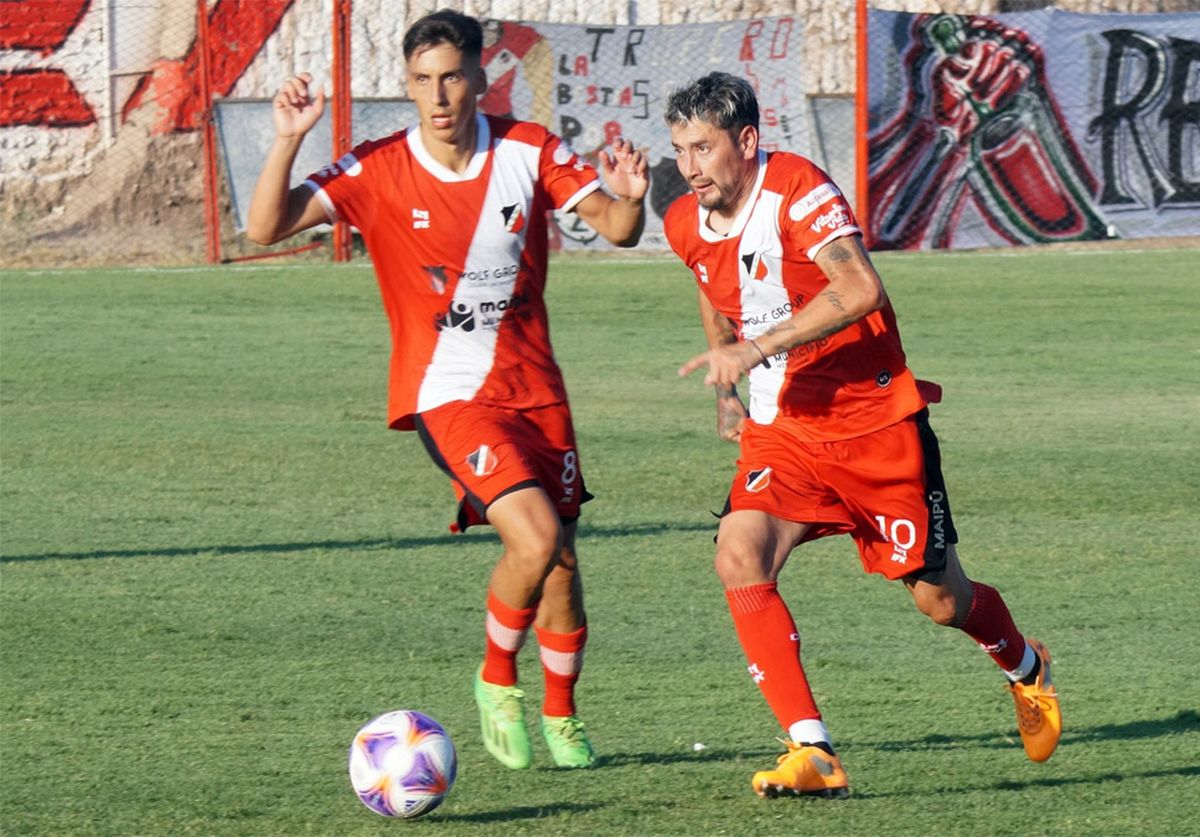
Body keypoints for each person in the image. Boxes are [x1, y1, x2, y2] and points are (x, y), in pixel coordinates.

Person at [246, 9, 648, 771]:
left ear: (478, 78)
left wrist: (628, 195)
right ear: (408, 86)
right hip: (448, 391)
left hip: (538, 392)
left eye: (452, 76)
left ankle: (562, 714)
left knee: (560, 563)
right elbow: (265, 226)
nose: (438, 96)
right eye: (422, 81)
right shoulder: (379, 167)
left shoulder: (528, 150)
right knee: (531, 539)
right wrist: (290, 136)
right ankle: (497, 679)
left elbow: (617, 226)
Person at [662, 72, 1060, 798]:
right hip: (783, 430)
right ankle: (812, 749)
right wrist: (728, 376)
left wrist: (753, 348)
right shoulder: (684, 219)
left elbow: (860, 290)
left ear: (746, 141)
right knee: (738, 552)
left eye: (704, 148)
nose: (690, 166)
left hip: (875, 425)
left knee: (940, 599)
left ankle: (1025, 666)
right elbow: (708, 275)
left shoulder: (798, 190)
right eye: (681, 149)